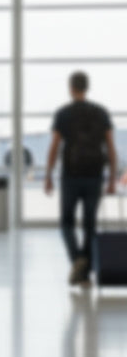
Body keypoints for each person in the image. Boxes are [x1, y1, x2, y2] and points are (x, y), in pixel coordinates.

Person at [45, 70, 118, 287]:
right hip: (94, 175)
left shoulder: (63, 114)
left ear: (71, 88)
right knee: (89, 225)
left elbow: (54, 147)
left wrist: (48, 175)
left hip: (70, 175)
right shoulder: (101, 113)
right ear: (87, 87)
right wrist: (112, 179)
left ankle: (77, 261)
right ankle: (84, 274)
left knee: (66, 223)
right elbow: (110, 148)